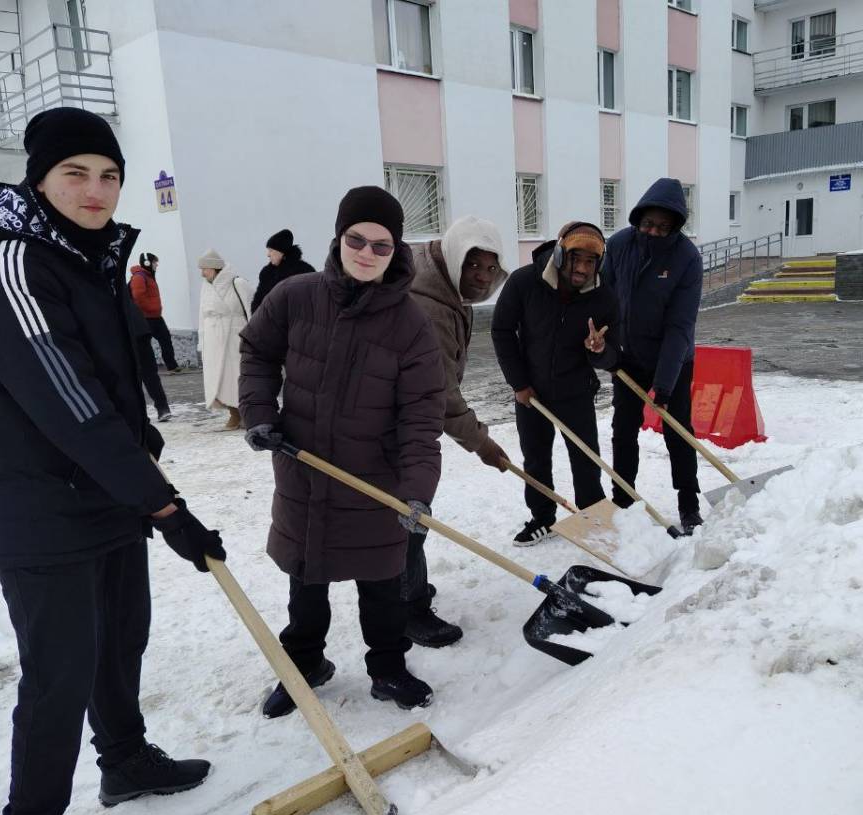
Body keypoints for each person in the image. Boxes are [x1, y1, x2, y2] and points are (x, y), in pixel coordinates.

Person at [0, 106, 226, 815]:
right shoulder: (10, 268)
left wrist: (142, 472)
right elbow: (68, 401)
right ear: (38, 179)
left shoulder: (81, 258)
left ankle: (125, 760)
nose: (96, 189)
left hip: (102, 496)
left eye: (109, 174)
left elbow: (109, 389)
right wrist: (164, 505)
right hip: (41, 514)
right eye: (76, 173)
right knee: (58, 675)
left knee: (120, 641)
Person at [240, 185, 444, 718]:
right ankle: (304, 663)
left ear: (397, 251)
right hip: (303, 468)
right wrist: (260, 414)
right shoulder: (295, 295)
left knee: (382, 584)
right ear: (339, 237)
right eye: (358, 239)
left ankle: (389, 669)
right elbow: (257, 349)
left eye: (382, 245)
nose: (367, 254)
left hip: (372, 482)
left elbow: (422, 418)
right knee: (305, 579)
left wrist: (416, 493)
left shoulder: (411, 326)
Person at [402, 215, 509, 647]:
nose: (481, 279)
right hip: (397, 425)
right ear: (452, 257)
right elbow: (441, 393)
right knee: (407, 514)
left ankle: (407, 590)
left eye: (489, 268)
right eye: (473, 266)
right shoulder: (428, 304)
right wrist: (481, 442)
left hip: (410, 417)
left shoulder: (438, 282)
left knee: (407, 514)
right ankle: (407, 608)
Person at [491, 222, 618, 546]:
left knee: (586, 456)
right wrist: (518, 383)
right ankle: (542, 518)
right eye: (577, 259)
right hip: (531, 392)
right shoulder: (525, 282)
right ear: (561, 253)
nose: (583, 269)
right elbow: (502, 330)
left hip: (575, 390)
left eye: (591, 262)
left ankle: (592, 514)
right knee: (535, 458)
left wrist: (599, 350)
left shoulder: (603, 297)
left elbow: (612, 355)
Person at [601, 178, 704, 533]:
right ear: (638, 218)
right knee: (623, 430)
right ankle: (623, 499)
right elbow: (605, 303)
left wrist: (664, 382)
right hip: (628, 358)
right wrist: (609, 352)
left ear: (675, 226)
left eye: (662, 226)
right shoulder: (617, 246)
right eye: (648, 223)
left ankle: (688, 503)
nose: (653, 231)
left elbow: (680, 325)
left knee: (678, 432)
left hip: (672, 359)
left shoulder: (687, 258)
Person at [196, 249, 251, 429]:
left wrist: (255, 336)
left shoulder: (238, 283)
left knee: (237, 377)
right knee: (218, 380)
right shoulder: (206, 287)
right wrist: (201, 340)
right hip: (213, 338)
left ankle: (245, 413)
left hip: (234, 336)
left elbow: (251, 309)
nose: (202, 273)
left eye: (205, 268)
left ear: (215, 267)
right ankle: (233, 413)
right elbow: (202, 316)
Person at [128, 252, 181, 373]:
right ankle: (140, 369)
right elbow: (138, 297)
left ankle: (172, 366)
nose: (156, 264)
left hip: (156, 317)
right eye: (154, 262)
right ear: (147, 263)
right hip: (146, 317)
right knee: (143, 344)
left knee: (166, 339)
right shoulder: (139, 277)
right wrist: (151, 308)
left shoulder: (149, 276)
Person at [251, 229, 314, 314]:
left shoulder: (305, 271)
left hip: (297, 324)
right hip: (269, 325)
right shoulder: (266, 273)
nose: (268, 255)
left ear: (281, 251)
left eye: (271, 250)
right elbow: (258, 302)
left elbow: (314, 301)